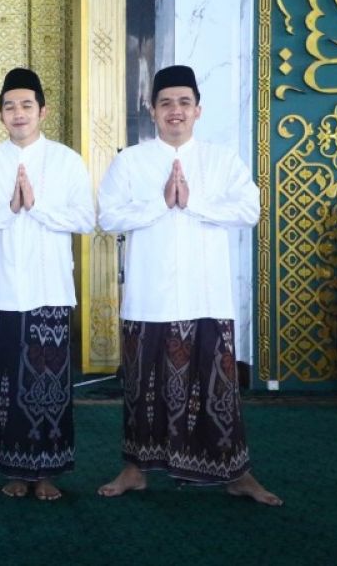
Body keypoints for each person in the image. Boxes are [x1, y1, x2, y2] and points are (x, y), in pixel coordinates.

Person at [96, 64, 282, 506]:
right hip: (148, 298)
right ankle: (135, 469)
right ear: (152, 110)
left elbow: (248, 211)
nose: (174, 111)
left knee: (217, 388)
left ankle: (236, 473)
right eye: (165, 104)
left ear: (198, 109)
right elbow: (107, 217)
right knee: (142, 389)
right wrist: (159, 204)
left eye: (183, 103)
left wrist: (192, 201)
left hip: (207, 295)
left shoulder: (222, 160)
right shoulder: (131, 161)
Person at [0, 68, 95, 501]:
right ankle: (14, 470)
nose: (18, 113)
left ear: (43, 111)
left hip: (51, 288)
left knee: (50, 383)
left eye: (26, 105)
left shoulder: (66, 160)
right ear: (0, 115)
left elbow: (85, 218)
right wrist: (10, 209)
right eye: (9, 106)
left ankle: (48, 471)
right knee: (7, 382)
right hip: (6, 290)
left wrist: (37, 208)